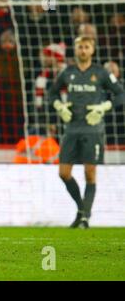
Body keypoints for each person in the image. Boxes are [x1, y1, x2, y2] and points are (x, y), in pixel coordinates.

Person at [49, 36, 124, 229]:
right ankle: (82, 210)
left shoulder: (101, 73)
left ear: (92, 50)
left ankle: (84, 218)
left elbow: (121, 93)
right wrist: (59, 106)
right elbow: (52, 92)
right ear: (75, 50)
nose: (83, 50)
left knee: (90, 174)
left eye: (86, 47)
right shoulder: (68, 72)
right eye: (80, 47)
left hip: (93, 130)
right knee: (63, 173)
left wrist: (103, 107)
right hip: (71, 129)